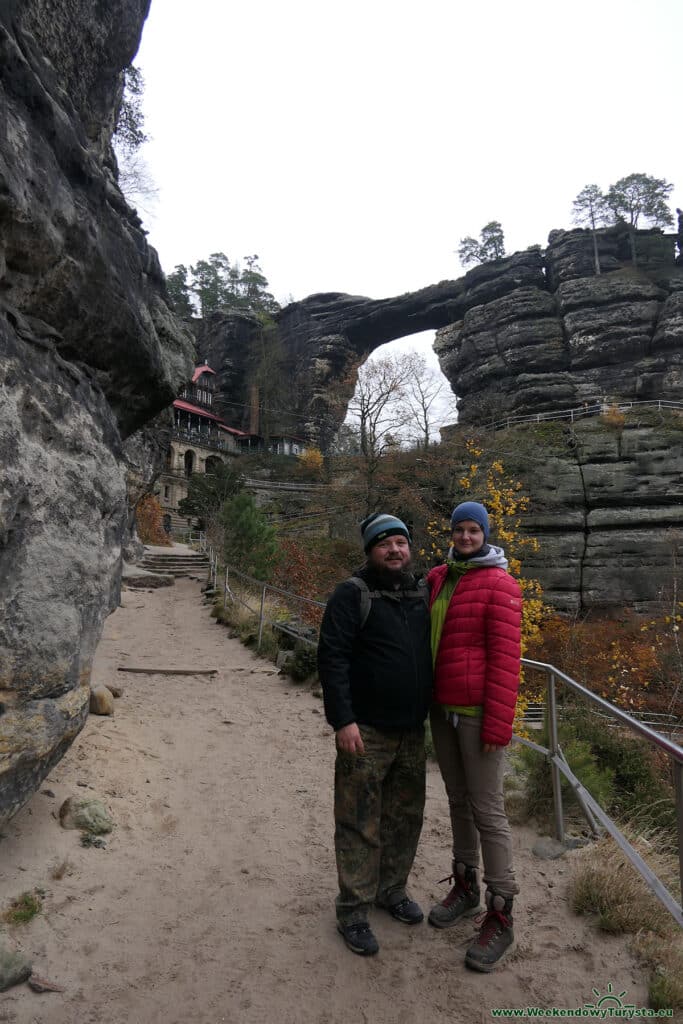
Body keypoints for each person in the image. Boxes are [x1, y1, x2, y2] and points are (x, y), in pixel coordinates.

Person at [317, 512, 432, 956]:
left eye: (401, 542)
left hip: (412, 731)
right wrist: (342, 720)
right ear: (369, 551)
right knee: (358, 822)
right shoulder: (352, 594)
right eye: (384, 544)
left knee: (405, 818)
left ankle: (392, 890)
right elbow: (333, 658)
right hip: (365, 731)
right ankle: (354, 910)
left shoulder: (421, 591)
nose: (394, 550)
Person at [426, 501, 522, 972]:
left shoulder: (500, 583)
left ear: (485, 533)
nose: (465, 537)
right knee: (457, 800)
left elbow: (507, 660)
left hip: (479, 714)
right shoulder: (441, 577)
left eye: (473, 530)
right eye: (459, 530)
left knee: (488, 809)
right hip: (442, 711)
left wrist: (498, 724)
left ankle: (500, 913)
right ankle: (464, 885)